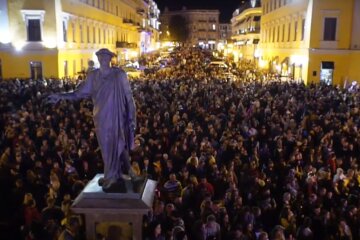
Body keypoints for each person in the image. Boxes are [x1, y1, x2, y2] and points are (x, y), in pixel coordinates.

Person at [48, 48, 136, 193]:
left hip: (116, 116)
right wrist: (60, 96)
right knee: (106, 147)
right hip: (100, 118)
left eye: (106, 57)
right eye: (100, 57)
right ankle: (113, 174)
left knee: (117, 143)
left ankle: (113, 176)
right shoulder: (93, 76)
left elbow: (128, 96)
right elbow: (78, 94)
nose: (103, 59)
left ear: (110, 59)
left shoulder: (119, 74)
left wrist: (132, 116)